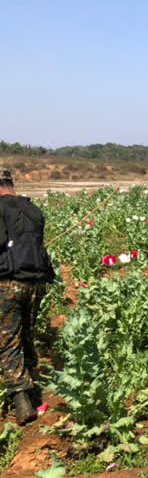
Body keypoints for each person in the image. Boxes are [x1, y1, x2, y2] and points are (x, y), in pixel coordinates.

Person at [0, 169, 55, 424]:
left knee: (9, 341)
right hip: (35, 284)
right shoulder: (33, 210)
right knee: (26, 335)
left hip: (7, 283)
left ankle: (21, 400)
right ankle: (34, 391)